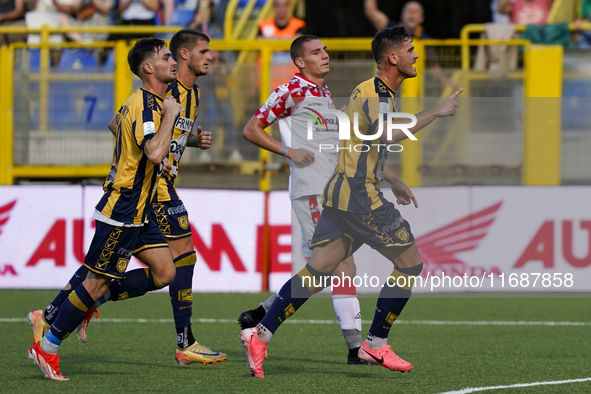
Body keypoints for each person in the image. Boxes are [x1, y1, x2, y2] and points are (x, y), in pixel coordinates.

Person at [239, 26, 463, 378]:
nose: (416, 55)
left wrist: (394, 179)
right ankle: (374, 342)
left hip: (339, 193)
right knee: (410, 265)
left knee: (318, 271)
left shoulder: (363, 91)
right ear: (393, 58)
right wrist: (435, 111)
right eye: (410, 49)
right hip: (361, 197)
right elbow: (386, 134)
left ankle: (259, 334)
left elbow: (357, 144)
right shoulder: (374, 94)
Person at [27, 30, 227, 368]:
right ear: (181, 57)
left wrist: (187, 143)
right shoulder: (164, 91)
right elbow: (120, 126)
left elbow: (161, 139)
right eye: (204, 51)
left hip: (151, 191)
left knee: (144, 269)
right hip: (147, 193)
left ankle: (53, 313)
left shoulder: (189, 95)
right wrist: (155, 154)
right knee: (177, 259)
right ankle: (184, 342)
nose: (211, 56)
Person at [239, 35, 367, 365]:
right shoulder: (291, 90)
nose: (325, 55)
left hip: (332, 192)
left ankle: (262, 315)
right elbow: (252, 129)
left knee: (322, 272)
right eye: (316, 52)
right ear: (300, 62)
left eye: (324, 49)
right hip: (312, 191)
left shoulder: (321, 93)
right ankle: (356, 349)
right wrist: (288, 151)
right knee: (341, 265)